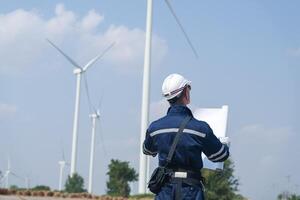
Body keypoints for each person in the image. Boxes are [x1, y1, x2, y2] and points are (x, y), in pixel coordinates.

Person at [143, 73, 230, 200]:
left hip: (165, 191)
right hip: (191, 191)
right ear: (185, 92)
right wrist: (224, 143)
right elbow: (220, 155)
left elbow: (147, 150)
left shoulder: (155, 128)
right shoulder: (200, 128)